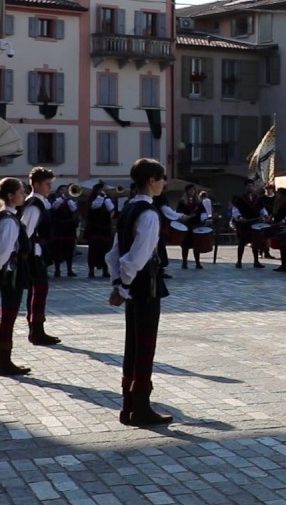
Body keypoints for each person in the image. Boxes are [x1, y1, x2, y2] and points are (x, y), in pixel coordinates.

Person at [106, 158, 173, 427]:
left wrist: (118, 284)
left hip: (132, 286)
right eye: (162, 178)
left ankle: (128, 405)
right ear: (152, 181)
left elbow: (113, 254)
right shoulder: (148, 213)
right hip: (144, 286)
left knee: (132, 345)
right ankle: (140, 408)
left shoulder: (128, 209)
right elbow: (137, 257)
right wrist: (123, 286)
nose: (164, 183)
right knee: (144, 345)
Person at [20, 167, 61, 346]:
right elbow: (25, 232)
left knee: (38, 292)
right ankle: (36, 331)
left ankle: (37, 329)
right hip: (33, 255)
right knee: (38, 291)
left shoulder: (39, 203)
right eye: (47, 184)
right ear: (35, 184)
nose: (49, 187)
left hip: (37, 253)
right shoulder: (34, 205)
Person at [0, 177, 33, 375]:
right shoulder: (9, 221)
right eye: (21, 191)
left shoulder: (7, 217)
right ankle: (4, 360)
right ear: (10, 196)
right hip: (10, 275)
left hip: (10, 273)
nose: (23, 194)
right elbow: (3, 252)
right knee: (8, 317)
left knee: (7, 317)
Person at [230, 179, 268, 269]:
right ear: (245, 187)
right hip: (244, 225)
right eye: (248, 186)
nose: (250, 187)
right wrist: (239, 217)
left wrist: (265, 215)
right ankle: (239, 261)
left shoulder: (257, 198)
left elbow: (262, 209)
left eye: (251, 186)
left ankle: (256, 261)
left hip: (255, 223)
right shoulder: (240, 199)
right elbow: (235, 210)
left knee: (255, 242)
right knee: (242, 242)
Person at [85, 182, 115, 278]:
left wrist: (106, 198)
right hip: (94, 228)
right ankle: (91, 270)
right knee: (93, 250)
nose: (104, 190)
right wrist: (101, 196)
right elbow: (95, 206)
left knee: (105, 250)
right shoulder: (93, 199)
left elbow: (111, 208)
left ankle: (105, 270)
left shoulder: (107, 199)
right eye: (102, 189)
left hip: (104, 228)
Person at [174, 185, 206, 270]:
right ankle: (184, 262)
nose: (192, 191)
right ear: (187, 191)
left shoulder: (199, 202)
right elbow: (179, 213)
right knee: (185, 244)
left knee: (197, 244)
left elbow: (203, 212)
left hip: (196, 224)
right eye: (190, 190)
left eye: (193, 190)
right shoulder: (182, 202)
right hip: (186, 225)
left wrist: (204, 219)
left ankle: (197, 262)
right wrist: (185, 217)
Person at [49, 185, 78, 277]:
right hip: (59, 228)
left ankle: (69, 270)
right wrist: (63, 198)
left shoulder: (71, 201)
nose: (64, 191)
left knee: (69, 250)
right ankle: (57, 270)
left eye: (66, 190)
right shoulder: (56, 200)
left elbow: (74, 209)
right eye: (62, 190)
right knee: (57, 250)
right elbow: (55, 207)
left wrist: (68, 199)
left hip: (69, 228)